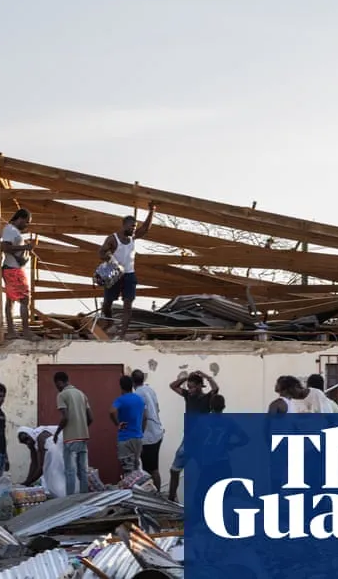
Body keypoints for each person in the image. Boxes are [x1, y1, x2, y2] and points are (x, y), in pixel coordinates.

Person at [97, 202, 156, 339]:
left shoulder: (132, 238)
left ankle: (121, 333)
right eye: (132, 227)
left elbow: (145, 229)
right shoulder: (113, 239)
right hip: (115, 275)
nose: (134, 230)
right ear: (124, 225)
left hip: (129, 275)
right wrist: (110, 257)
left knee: (128, 304)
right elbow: (101, 252)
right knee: (107, 303)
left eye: (135, 227)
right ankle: (109, 321)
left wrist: (152, 211)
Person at [166, 371, 220, 502]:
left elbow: (215, 388)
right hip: (188, 441)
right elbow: (172, 386)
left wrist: (206, 376)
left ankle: (207, 501)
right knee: (174, 471)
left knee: (206, 473)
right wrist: (185, 377)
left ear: (200, 386)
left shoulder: (207, 398)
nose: (189, 390)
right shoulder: (188, 396)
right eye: (188, 387)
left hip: (201, 442)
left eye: (192, 387)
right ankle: (170, 500)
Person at [52, 371, 93, 495]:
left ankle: (69, 500)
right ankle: (84, 497)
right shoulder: (81, 394)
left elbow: (65, 417)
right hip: (83, 437)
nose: (56, 387)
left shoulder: (62, 395)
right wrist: (81, 427)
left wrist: (57, 433)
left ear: (59, 382)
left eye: (56, 384)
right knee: (83, 470)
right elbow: (90, 418)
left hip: (70, 439)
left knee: (70, 470)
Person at [1, 209, 37, 339]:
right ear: (20, 218)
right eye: (26, 222)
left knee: (11, 300)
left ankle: (11, 331)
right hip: (13, 269)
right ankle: (26, 332)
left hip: (12, 268)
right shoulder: (10, 230)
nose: (26, 225)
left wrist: (24, 249)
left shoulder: (13, 231)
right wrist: (25, 248)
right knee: (24, 299)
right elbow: (5, 247)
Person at [131, 369, 164, 490]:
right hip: (157, 431)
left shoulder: (137, 395)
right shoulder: (150, 390)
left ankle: (155, 495)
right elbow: (157, 408)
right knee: (153, 467)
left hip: (148, 436)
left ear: (132, 381)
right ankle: (157, 493)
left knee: (150, 469)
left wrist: (139, 434)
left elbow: (143, 417)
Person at [110, 375, 147, 475]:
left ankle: (129, 489)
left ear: (121, 386)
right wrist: (141, 432)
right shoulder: (140, 399)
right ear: (132, 385)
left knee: (127, 469)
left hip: (125, 437)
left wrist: (118, 424)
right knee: (136, 468)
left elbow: (112, 411)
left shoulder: (120, 400)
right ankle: (137, 489)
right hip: (137, 437)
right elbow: (145, 417)